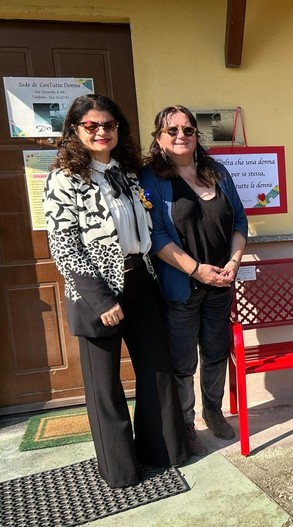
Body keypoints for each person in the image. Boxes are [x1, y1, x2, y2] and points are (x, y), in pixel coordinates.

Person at [42, 94, 188, 488]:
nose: (102, 132)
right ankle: (121, 471)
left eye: (109, 125)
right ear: (75, 130)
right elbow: (63, 245)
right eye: (91, 125)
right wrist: (101, 299)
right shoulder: (63, 177)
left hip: (140, 278)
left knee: (157, 371)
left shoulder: (126, 171)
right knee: (104, 387)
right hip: (97, 289)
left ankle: (163, 453)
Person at [140, 105, 248, 456]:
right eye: (172, 131)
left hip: (220, 283)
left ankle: (212, 411)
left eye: (188, 130)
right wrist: (195, 269)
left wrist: (233, 263)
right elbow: (154, 236)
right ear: (159, 138)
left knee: (216, 353)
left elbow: (239, 223)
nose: (181, 136)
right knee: (183, 360)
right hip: (181, 287)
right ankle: (185, 422)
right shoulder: (151, 178)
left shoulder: (216, 171)